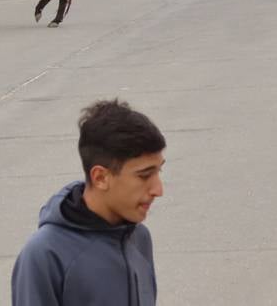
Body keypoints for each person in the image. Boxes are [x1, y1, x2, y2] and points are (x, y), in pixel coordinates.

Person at [11, 99, 166, 306]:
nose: (158, 190)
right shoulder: (45, 255)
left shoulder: (139, 238)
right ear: (101, 177)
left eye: (158, 171)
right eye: (144, 176)